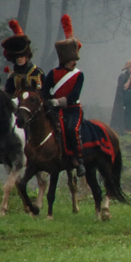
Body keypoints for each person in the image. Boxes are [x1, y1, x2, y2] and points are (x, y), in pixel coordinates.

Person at [42, 14, 85, 177]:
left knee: (72, 129)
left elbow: (74, 95)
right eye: (73, 59)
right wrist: (48, 101)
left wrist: (57, 102)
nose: (75, 62)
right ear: (66, 59)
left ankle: (78, 160)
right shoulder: (53, 73)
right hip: (54, 110)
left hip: (73, 110)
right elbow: (44, 90)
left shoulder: (79, 75)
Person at [1, 19, 45, 97]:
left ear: (26, 56)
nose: (19, 59)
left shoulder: (38, 73)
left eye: (21, 56)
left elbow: (46, 91)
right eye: (17, 57)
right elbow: (8, 96)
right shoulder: (12, 77)